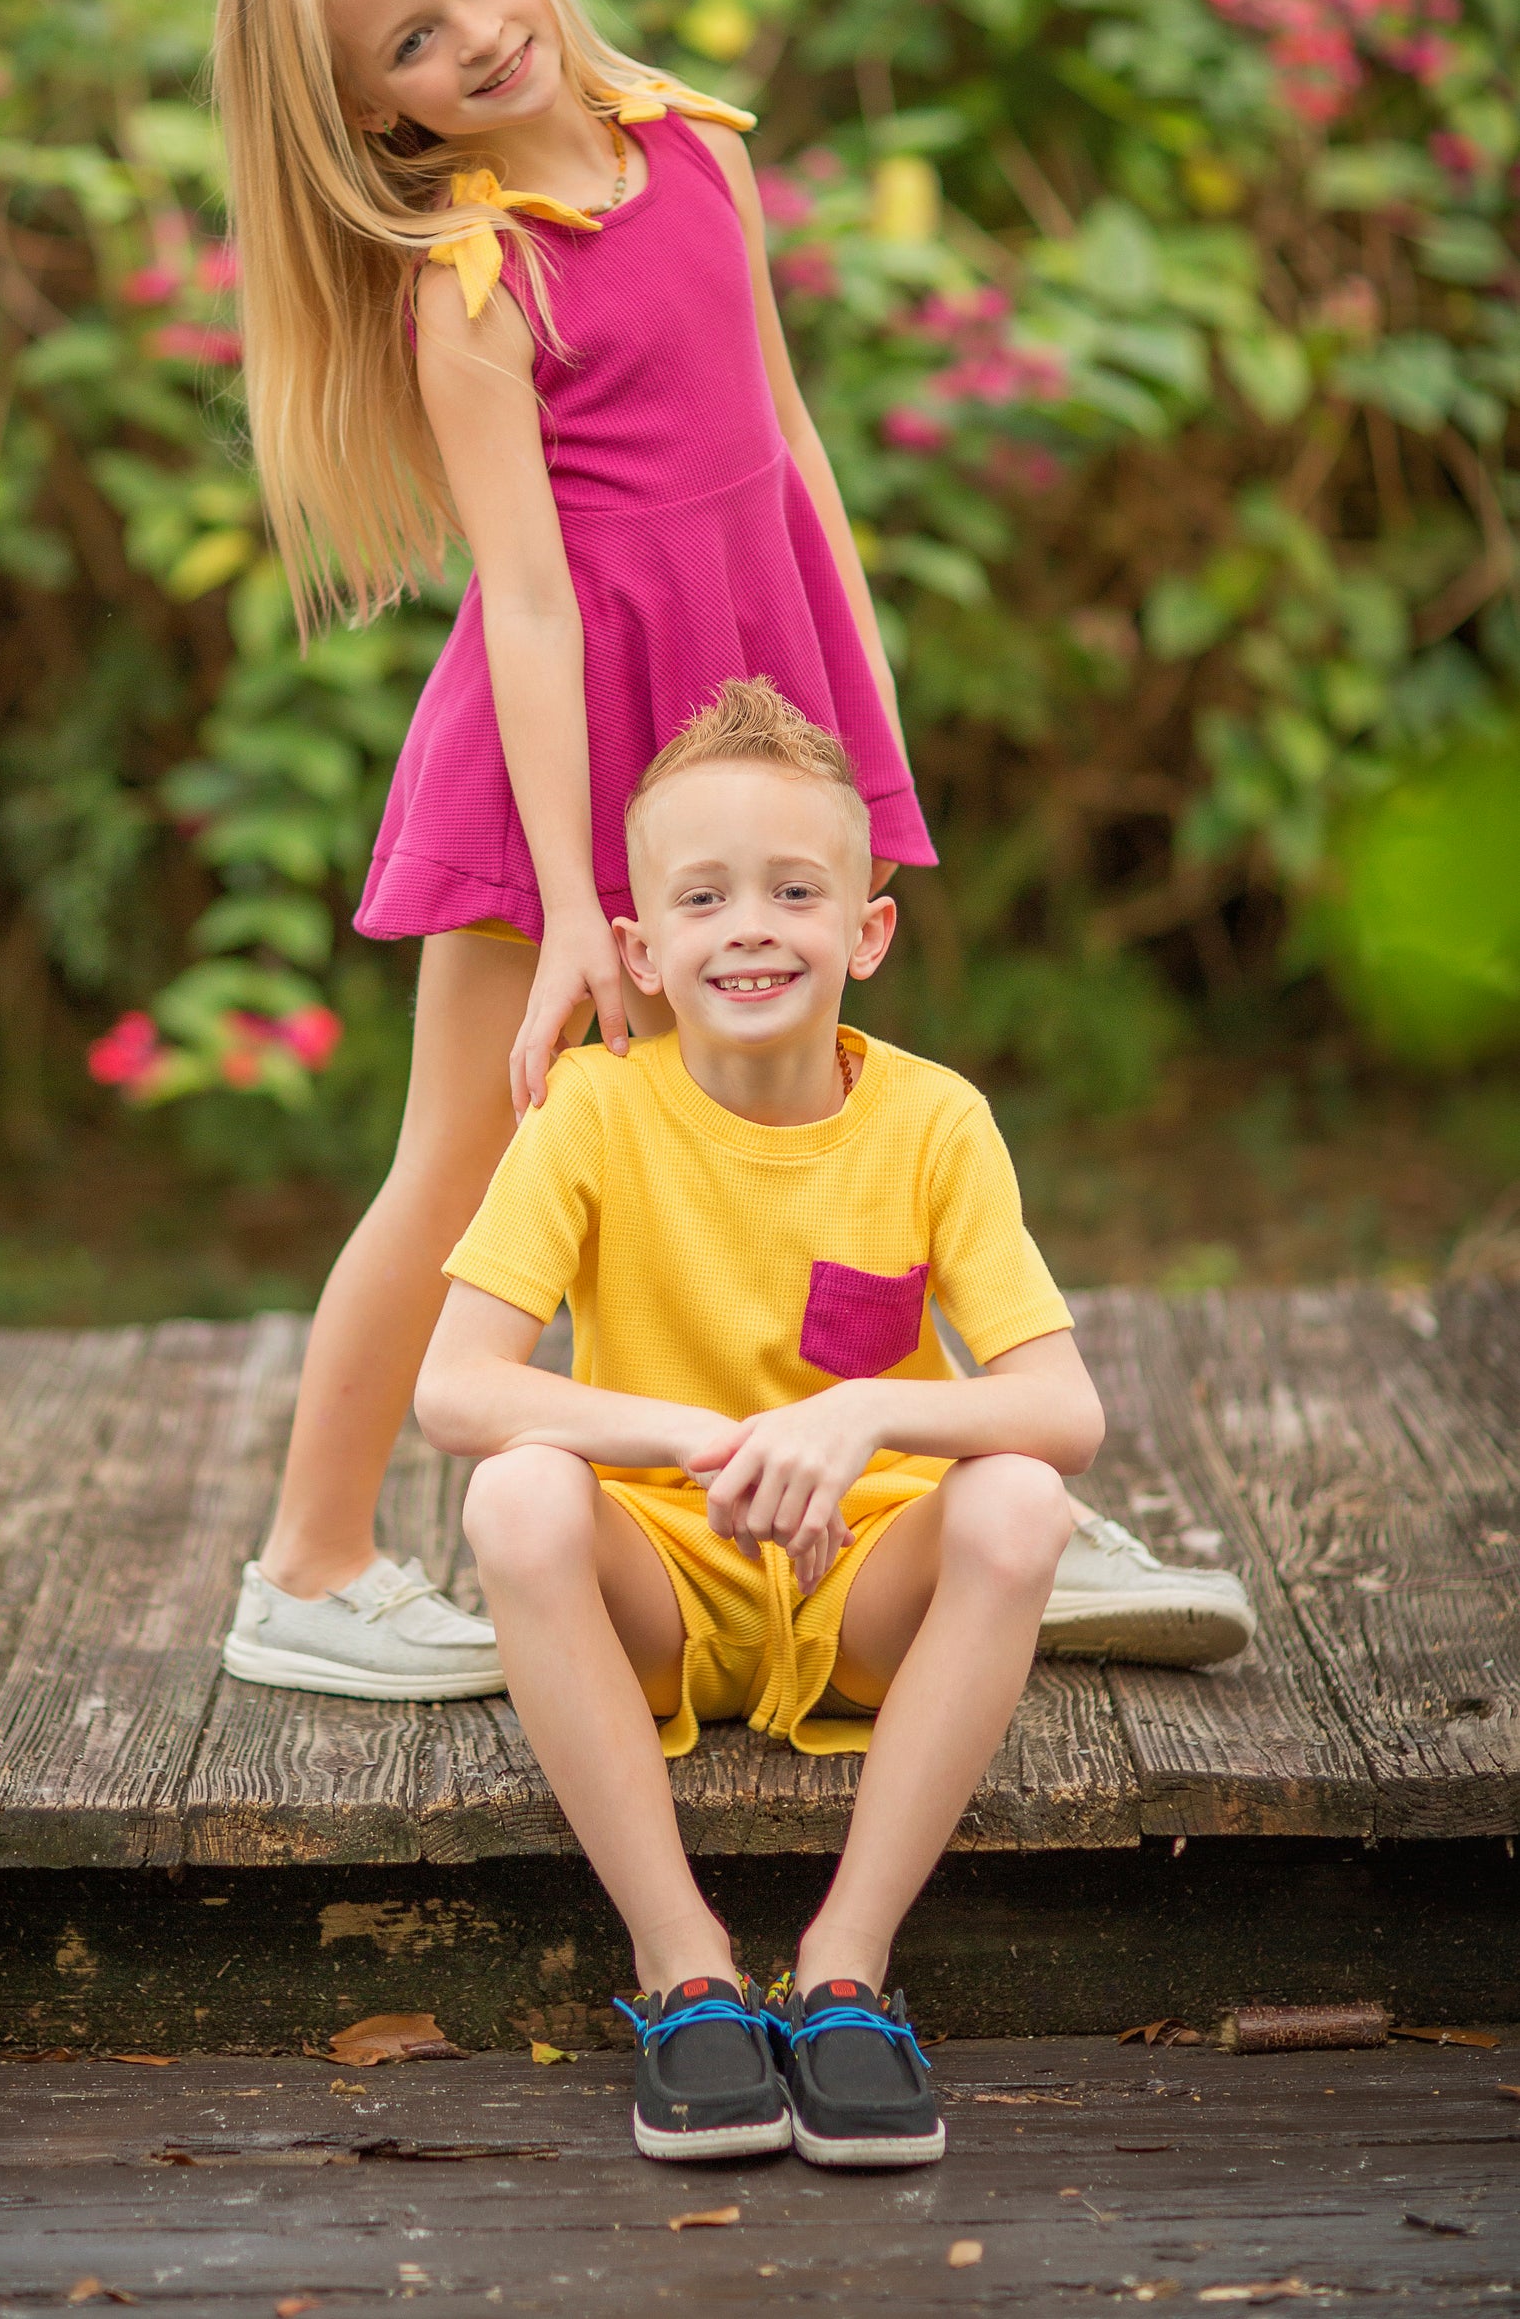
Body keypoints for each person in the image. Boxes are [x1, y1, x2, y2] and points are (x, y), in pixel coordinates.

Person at [212, 0, 1250, 1700]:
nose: (477, 36)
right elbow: (530, 604)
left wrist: (862, 712)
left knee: (811, 1110)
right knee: (460, 1156)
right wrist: (578, 902)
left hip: (753, 699)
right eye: (412, 43)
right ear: (371, 115)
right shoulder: (472, 285)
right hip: (565, 755)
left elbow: (788, 443)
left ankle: (939, 1485)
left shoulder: (694, 154)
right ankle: (309, 1565)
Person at [416, 679, 1103, 2167]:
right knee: (515, 1496)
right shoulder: (592, 1109)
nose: (749, 929)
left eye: (795, 892)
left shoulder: (934, 1121)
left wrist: (867, 1411)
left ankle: (846, 1970)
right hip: (661, 1585)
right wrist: (687, 1440)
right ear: (638, 951)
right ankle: (687, 1967)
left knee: (1019, 1500)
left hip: (862, 1585)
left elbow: (1063, 1409)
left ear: (867, 930)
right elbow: (456, 1387)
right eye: (702, 896)